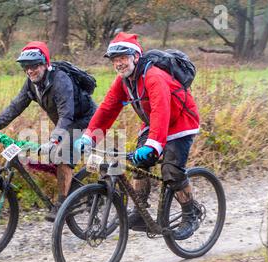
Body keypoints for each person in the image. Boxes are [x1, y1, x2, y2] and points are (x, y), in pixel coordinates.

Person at [74, 33, 200, 240]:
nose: (118, 63)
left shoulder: (154, 76)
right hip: (154, 123)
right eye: (115, 60)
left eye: (122, 57)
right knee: (137, 164)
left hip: (181, 122)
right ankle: (140, 212)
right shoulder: (124, 81)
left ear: (135, 56)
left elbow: (161, 109)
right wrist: (89, 136)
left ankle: (190, 213)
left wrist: (153, 146)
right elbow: (107, 109)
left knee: (171, 171)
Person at [0, 41, 97, 222]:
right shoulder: (31, 83)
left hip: (87, 121)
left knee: (62, 155)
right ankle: (69, 184)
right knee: (50, 154)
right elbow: (16, 106)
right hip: (65, 123)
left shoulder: (61, 81)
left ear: (45, 64)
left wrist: (54, 140)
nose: (30, 71)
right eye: (25, 67)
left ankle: (62, 205)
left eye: (34, 66)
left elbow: (67, 115)